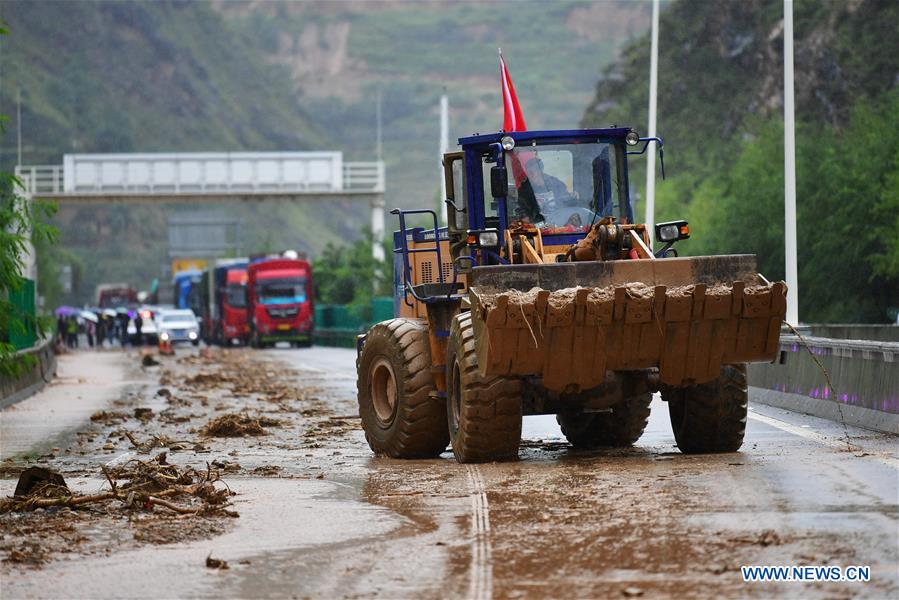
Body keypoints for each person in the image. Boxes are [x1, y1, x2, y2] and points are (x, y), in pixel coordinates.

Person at [515, 156, 574, 224]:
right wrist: (525, 217)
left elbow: (566, 201)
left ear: (540, 171)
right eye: (528, 173)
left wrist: (571, 196)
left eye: (533, 172)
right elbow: (522, 207)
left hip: (558, 220)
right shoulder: (524, 189)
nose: (531, 175)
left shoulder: (556, 184)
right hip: (537, 222)